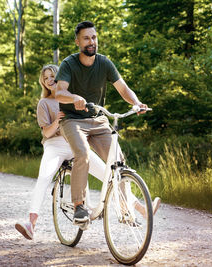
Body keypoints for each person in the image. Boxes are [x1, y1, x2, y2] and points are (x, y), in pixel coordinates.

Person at [55, 21, 160, 223]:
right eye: (86, 38)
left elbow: (123, 88)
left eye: (94, 37)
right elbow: (60, 92)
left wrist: (137, 103)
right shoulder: (69, 64)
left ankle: (125, 211)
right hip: (73, 120)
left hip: (98, 120)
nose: (91, 41)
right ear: (77, 41)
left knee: (118, 162)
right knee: (83, 154)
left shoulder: (104, 63)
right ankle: (79, 206)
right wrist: (74, 98)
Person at [15, 64, 106, 240]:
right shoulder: (44, 103)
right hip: (54, 146)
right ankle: (31, 224)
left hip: (76, 144)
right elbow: (46, 133)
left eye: (52, 76)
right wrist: (57, 120)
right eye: (45, 78)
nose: (49, 80)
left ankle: (139, 208)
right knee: (43, 178)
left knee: (107, 172)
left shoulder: (73, 98)